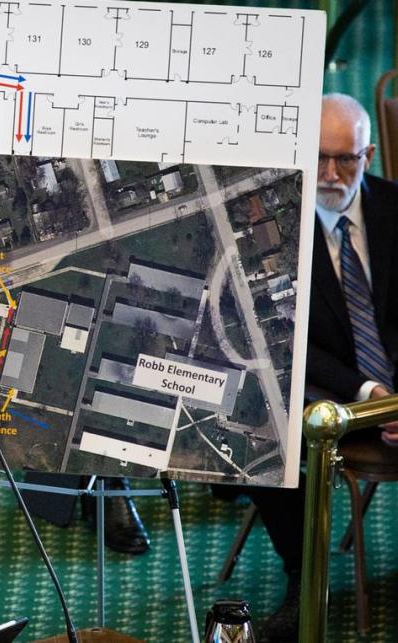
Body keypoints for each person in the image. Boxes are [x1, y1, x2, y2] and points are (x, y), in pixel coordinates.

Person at [250, 93, 398, 641]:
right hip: (324, 383)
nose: (331, 174)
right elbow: (283, 337)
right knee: (257, 424)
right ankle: (302, 571)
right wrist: (369, 393)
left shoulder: (393, 209)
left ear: (370, 154)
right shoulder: (270, 228)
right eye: (317, 158)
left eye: (346, 159)